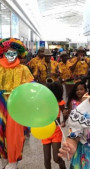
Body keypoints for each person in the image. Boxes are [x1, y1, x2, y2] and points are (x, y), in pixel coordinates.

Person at [0, 38, 34, 169]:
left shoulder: (24, 69)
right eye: (8, 52)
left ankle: (13, 160)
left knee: (14, 133)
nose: (10, 56)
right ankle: (3, 158)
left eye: (14, 53)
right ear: (3, 52)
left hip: (17, 103)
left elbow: (30, 88)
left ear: (19, 54)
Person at [43, 82, 66, 169]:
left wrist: (64, 120)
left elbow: (65, 114)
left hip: (56, 131)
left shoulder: (60, 103)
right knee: (46, 159)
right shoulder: (43, 102)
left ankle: (62, 166)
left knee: (56, 158)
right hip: (45, 132)